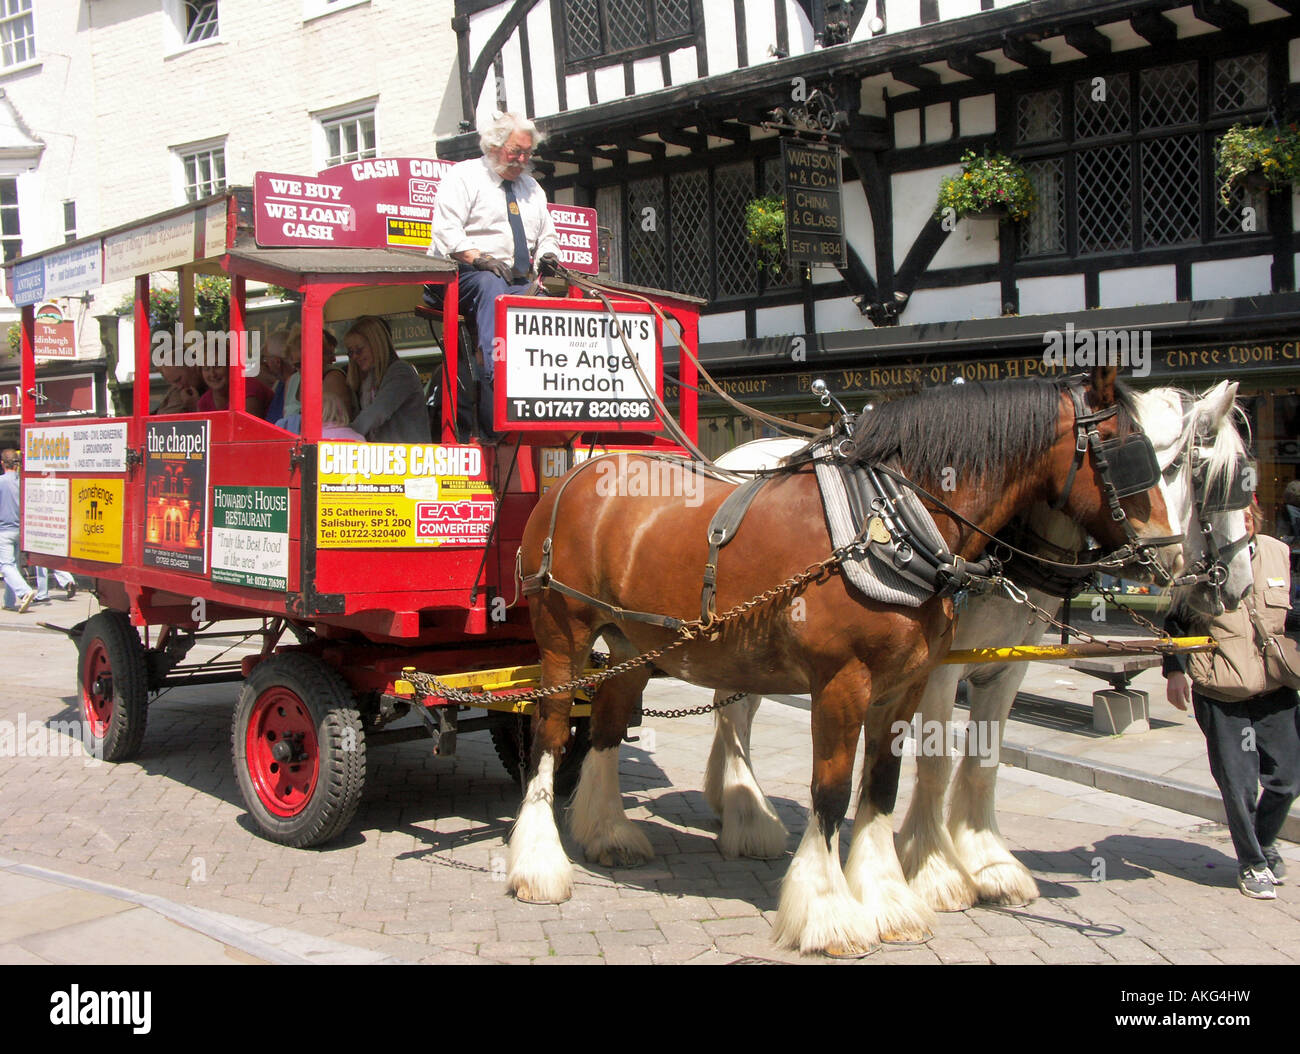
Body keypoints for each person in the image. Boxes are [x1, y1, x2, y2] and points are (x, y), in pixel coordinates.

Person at [1163, 500, 1300, 900]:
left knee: (1288, 780)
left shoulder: (1280, 553)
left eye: (1243, 514)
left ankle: (1261, 841)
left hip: (1275, 686)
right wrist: (1174, 669)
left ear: (1254, 515)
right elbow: (1174, 620)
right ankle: (1253, 864)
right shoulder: (1199, 562)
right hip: (1222, 690)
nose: (1237, 522)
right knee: (1238, 785)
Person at [429, 111, 562, 427]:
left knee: (544, 304)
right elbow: (446, 231)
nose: (521, 159)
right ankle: (496, 375)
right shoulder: (464, 177)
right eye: (515, 151)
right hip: (463, 274)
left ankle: (547, 382)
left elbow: (548, 236)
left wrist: (548, 255)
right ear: (493, 145)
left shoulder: (532, 189)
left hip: (514, 279)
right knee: (492, 287)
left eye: (527, 153)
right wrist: (478, 257)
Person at [345, 315, 431, 443]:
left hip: (409, 458)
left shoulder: (401, 372)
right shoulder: (370, 377)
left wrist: (344, 435)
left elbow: (376, 413)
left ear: (376, 344)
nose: (355, 357)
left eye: (359, 350)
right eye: (351, 352)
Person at [0, 449, 34, 613]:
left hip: (4, 530)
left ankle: (24, 592)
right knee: (13, 566)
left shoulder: (0, 482)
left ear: (2, 463)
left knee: (6, 565)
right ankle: (8, 601)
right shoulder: (22, 482)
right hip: (20, 530)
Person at [197, 362, 272, 417]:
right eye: (206, 368)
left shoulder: (248, 389)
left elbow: (246, 432)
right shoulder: (204, 402)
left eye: (218, 366)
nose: (212, 374)